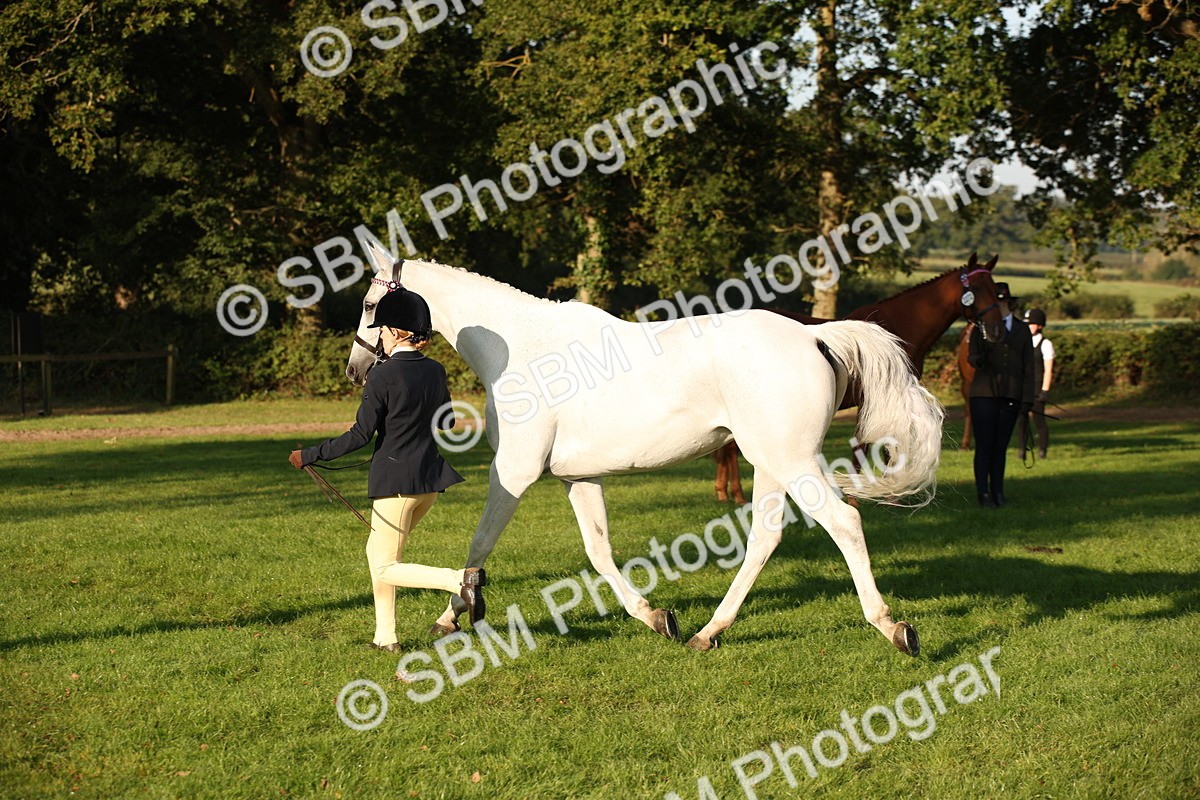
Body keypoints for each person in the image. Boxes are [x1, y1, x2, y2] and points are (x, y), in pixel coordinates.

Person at [288, 287, 483, 652]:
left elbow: (361, 436)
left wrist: (309, 454)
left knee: (384, 567)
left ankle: (459, 580)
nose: (378, 335)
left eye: (381, 329)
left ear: (395, 331)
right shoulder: (436, 370)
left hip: (396, 484)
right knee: (378, 555)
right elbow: (447, 421)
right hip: (429, 484)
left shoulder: (382, 375)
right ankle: (385, 637)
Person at [967, 282, 1034, 508]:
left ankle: (998, 491)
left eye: (1003, 300)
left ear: (1009, 302)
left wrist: (1028, 398)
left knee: (1000, 447)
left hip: (1011, 393)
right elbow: (972, 357)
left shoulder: (1022, 330)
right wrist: (979, 358)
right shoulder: (981, 328)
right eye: (997, 300)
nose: (1000, 304)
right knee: (984, 445)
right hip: (984, 393)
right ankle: (983, 493)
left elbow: (1029, 366)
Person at [1017, 308, 1055, 460]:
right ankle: (1022, 450)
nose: (1028, 326)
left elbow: (1048, 370)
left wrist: (1045, 390)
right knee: (1022, 420)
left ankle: (1042, 450)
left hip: (1038, 387)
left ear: (1039, 325)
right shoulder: (1022, 342)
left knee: (1039, 420)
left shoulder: (1046, 344)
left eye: (1031, 324)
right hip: (1023, 387)